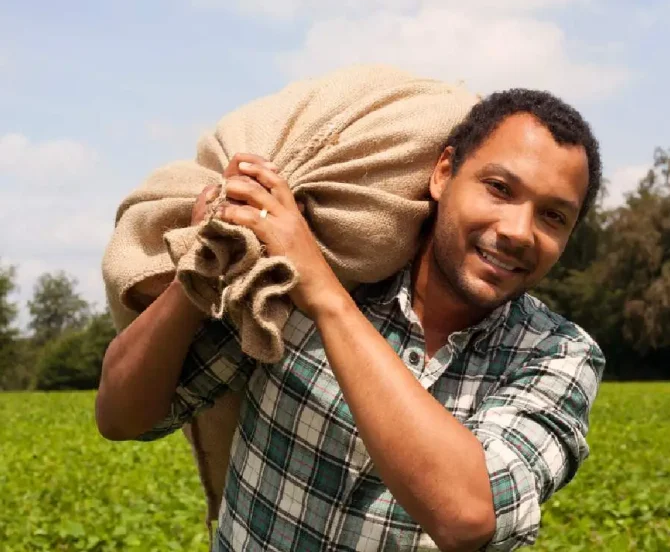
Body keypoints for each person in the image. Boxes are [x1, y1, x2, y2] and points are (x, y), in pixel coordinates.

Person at [95, 89, 605, 552]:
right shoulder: (303, 275)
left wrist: (324, 295)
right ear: (443, 173)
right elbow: (123, 418)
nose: (519, 231)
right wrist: (210, 254)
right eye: (499, 188)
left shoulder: (559, 355)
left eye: (553, 216)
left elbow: (467, 516)